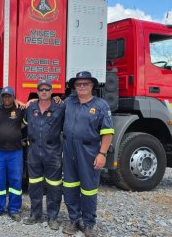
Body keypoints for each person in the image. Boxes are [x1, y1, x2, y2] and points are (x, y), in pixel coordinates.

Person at [62, 71, 114, 237]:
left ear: (92, 86)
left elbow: (107, 132)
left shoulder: (101, 105)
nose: (82, 87)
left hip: (89, 151)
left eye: (85, 84)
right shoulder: (69, 102)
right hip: (69, 149)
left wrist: (102, 154)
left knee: (89, 188)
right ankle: (74, 220)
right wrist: (35, 100)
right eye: (78, 84)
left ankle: (89, 223)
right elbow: (51, 106)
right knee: (69, 186)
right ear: (74, 87)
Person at [22, 80, 65, 230]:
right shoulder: (31, 107)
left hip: (52, 152)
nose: (44, 92)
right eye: (41, 90)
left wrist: (61, 99)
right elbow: (23, 123)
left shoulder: (60, 107)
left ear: (52, 91)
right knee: (34, 184)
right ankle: (35, 214)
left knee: (54, 186)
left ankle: (53, 217)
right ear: (37, 91)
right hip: (34, 151)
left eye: (47, 89)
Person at [0, 86, 26, 221]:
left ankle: (14, 209)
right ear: (1, 97)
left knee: (16, 180)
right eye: (4, 96)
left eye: (9, 96)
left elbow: (33, 105)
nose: (7, 98)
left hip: (15, 152)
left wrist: (23, 103)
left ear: (13, 97)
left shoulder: (20, 109)